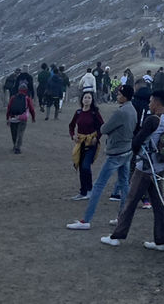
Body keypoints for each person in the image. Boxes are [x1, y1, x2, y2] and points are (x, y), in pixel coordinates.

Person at [101, 89, 164, 250]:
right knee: (158, 204)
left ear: (156, 102)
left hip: (146, 167)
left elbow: (137, 142)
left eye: (151, 101)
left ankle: (117, 236)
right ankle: (160, 240)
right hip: (160, 166)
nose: (149, 103)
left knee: (130, 201)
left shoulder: (152, 120)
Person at [66, 84, 137, 231]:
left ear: (124, 96)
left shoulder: (121, 112)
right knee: (124, 184)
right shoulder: (133, 109)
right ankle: (122, 217)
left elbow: (104, 128)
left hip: (116, 153)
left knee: (98, 186)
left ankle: (86, 220)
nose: (117, 96)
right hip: (127, 150)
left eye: (119, 94)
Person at [68, 91, 104, 199]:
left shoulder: (94, 113)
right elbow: (71, 125)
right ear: (82, 99)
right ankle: (82, 192)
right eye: (85, 97)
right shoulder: (78, 112)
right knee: (81, 166)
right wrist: (73, 135)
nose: (87, 99)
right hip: (81, 143)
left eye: (89, 97)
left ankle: (90, 189)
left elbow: (102, 127)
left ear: (92, 100)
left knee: (85, 166)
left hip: (91, 143)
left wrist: (96, 137)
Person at [6, 81, 35, 153]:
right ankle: (18, 148)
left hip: (13, 117)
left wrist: (7, 118)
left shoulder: (13, 97)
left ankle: (14, 145)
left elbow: (9, 108)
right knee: (20, 133)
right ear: (26, 90)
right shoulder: (27, 98)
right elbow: (31, 108)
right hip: (22, 118)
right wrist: (33, 117)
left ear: (18, 90)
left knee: (14, 132)